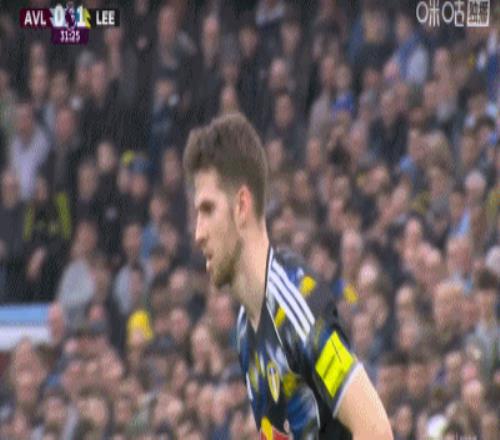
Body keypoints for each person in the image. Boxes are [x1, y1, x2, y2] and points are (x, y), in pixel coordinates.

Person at [183, 113, 392, 439]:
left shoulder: (295, 302)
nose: (198, 233)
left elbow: (376, 430)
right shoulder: (245, 329)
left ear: (241, 206)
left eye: (208, 210)